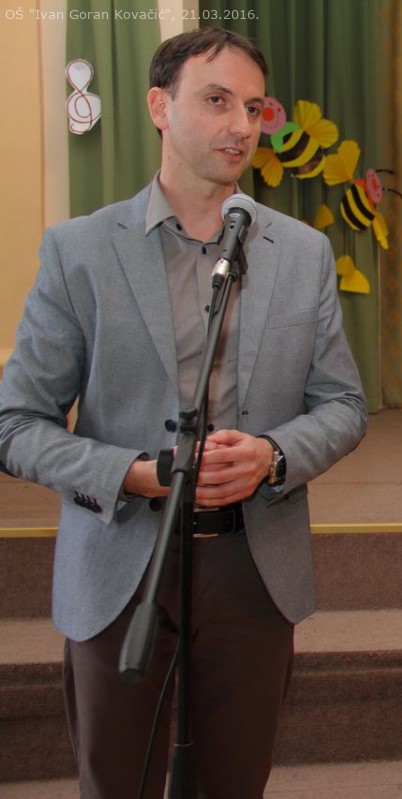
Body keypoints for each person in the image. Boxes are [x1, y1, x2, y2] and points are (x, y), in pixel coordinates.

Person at [0, 28, 367, 797]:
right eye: (216, 100)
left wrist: (272, 455)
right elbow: (16, 423)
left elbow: (342, 404)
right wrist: (131, 473)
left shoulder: (302, 253)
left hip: (251, 565)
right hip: (120, 563)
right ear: (159, 107)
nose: (241, 125)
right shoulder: (79, 251)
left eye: (253, 108)